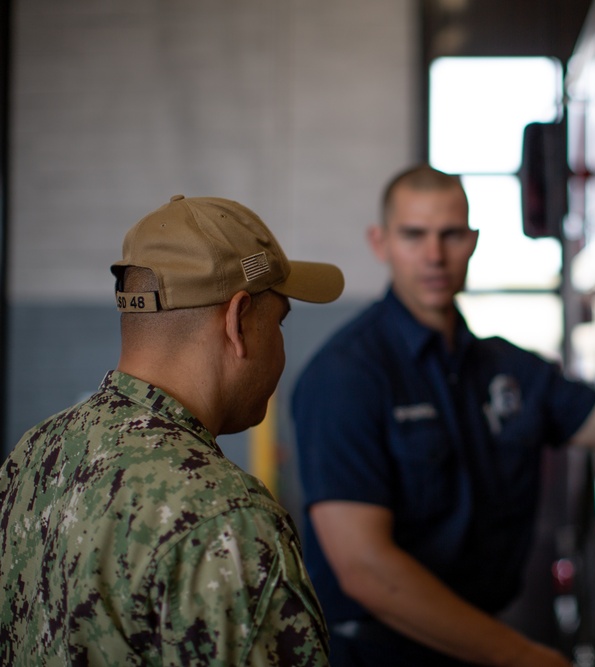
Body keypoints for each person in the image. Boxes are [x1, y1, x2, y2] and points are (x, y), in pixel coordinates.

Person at [292, 165, 595, 667]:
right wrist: (519, 656)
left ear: (472, 240)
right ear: (380, 242)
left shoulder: (506, 370)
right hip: (375, 654)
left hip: (473, 643)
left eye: (450, 234)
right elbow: (366, 570)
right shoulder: (347, 375)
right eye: (414, 235)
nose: (434, 255)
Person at [0, 195, 346, 666]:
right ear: (238, 322)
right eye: (280, 320)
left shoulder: (34, 454)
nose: (281, 344)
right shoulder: (227, 521)